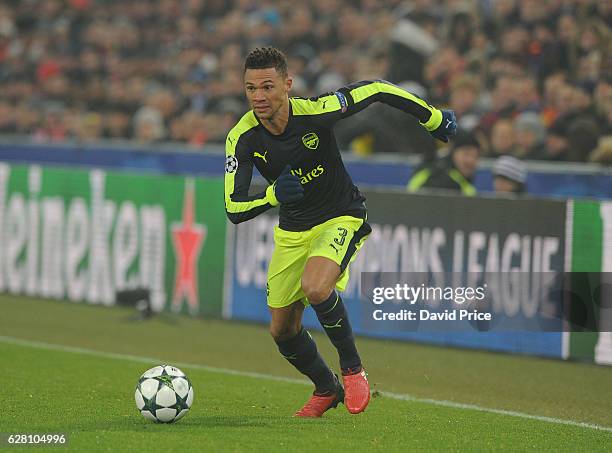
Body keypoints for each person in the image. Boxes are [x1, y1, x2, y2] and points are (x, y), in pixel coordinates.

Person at [224, 47, 456, 418]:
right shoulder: (242, 137)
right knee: (282, 330)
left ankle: (352, 369)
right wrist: (271, 195)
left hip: (340, 215)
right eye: (251, 88)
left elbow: (377, 88)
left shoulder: (317, 111)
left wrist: (430, 117)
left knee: (317, 287)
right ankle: (326, 387)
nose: (259, 97)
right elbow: (233, 208)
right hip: (293, 229)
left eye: (267, 87)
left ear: (287, 84)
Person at [407, 131, 479, 196]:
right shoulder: (443, 181)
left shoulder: (461, 180)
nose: (470, 161)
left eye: (475, 156)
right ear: (453, 153)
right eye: (466, 154)